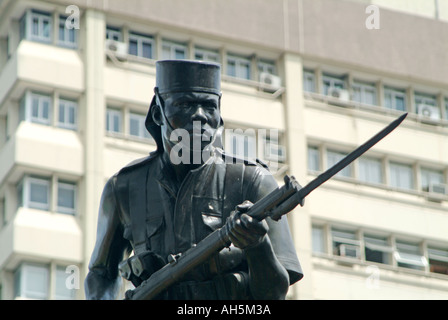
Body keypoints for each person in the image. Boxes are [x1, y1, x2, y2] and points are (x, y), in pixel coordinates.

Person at [84, 60, 303, 300]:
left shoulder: (252, 181)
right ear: (158, 112)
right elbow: (101, 273)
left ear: (219, 115)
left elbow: (274, 295)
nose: (199, 115)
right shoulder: (123, 188)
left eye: (209, 106)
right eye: (185, 104)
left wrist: (257, 245)